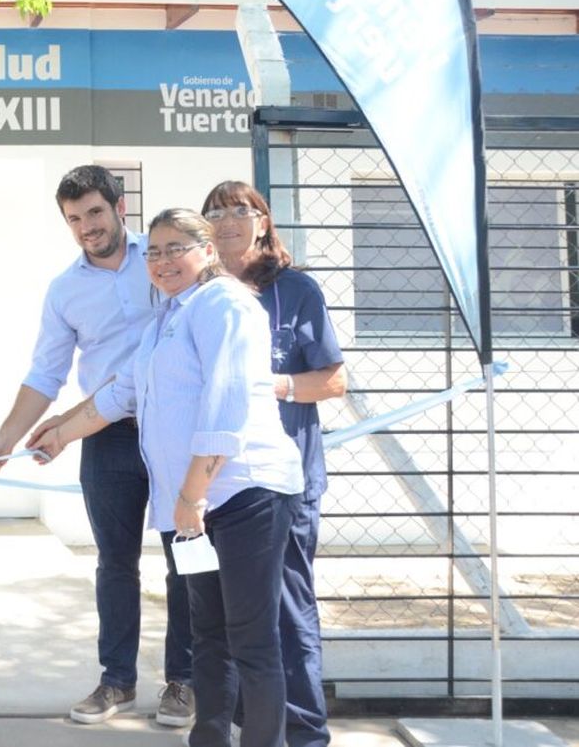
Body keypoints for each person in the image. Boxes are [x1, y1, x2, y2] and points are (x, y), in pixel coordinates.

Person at [30, 208, 305, 747]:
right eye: (153, 251)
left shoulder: (224, 304)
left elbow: (227, 406)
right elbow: (118, 394)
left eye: (175, 247)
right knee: (208, 637)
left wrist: (191, 498)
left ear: (206, 251)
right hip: (194, 509)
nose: (161, 260)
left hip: (242, 496)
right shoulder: (165, 322)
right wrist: (60, 432)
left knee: (251, 641)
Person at [0, 165, 193, 726]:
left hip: (175, 430)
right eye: (74, 220)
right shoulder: (64, 289)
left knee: (184, 556)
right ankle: (117, 681)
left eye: (94, 212)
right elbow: (45, 373)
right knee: (115, 563)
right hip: (107, 437)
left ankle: (185, 682)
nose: (86, 227)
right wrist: (6, 436)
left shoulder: (161, 259)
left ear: (119, 207)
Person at [202, 181, 345, 747]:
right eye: (215, 212)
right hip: (217, 488)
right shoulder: (201, 294)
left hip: (284, 487)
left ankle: (306, 733)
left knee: (287, 611)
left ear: (263, 221)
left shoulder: (295, 291)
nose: (228, 220)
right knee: (227, 621)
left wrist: (271, 387)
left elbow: (332, 381)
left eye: (241, 210)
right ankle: (253, 728)